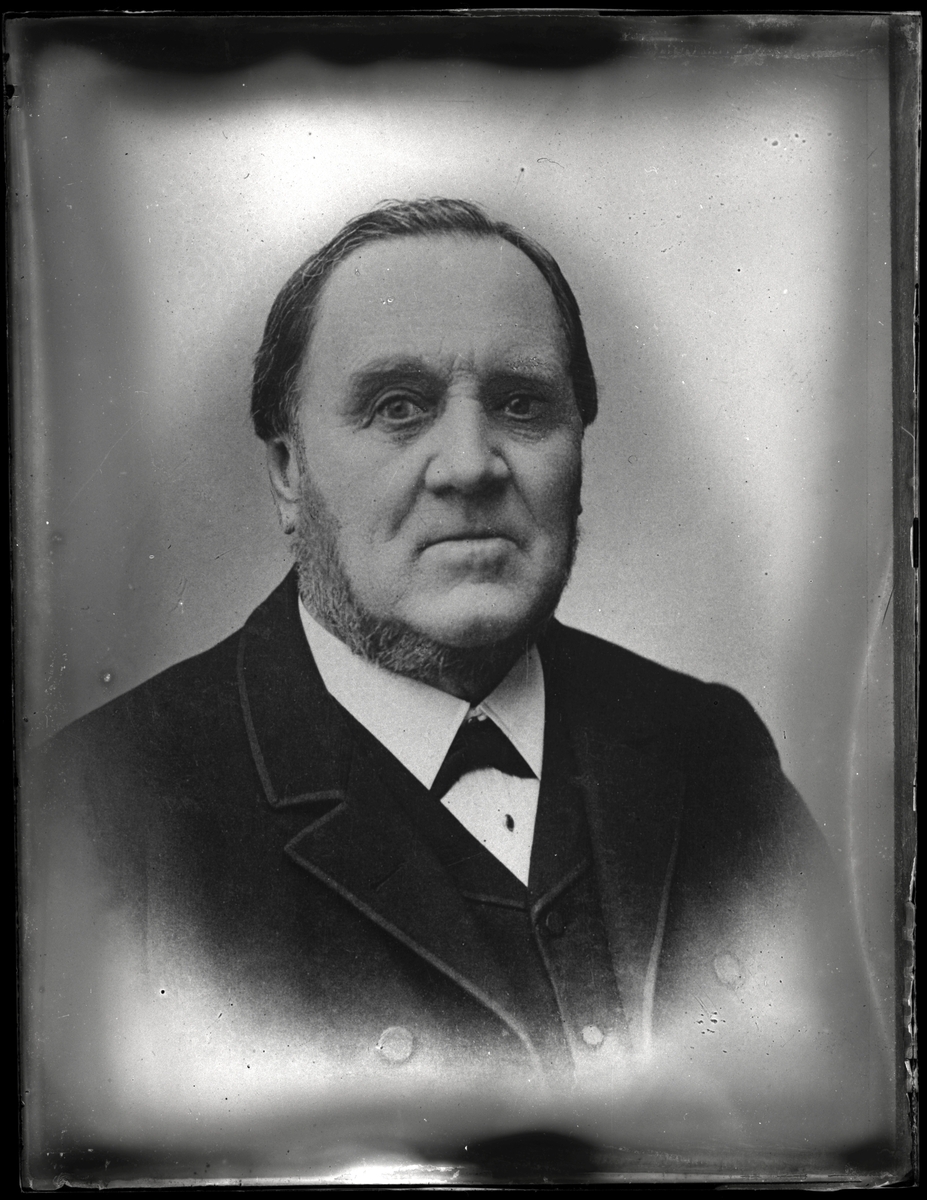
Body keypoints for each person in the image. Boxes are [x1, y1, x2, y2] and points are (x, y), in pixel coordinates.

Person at [24, 199, 879, 1168]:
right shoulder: (104, 811)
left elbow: (844, 1151)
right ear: (288, 473)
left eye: (521, 404)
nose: (471, 466)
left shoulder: (710, 750)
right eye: (398, 406)